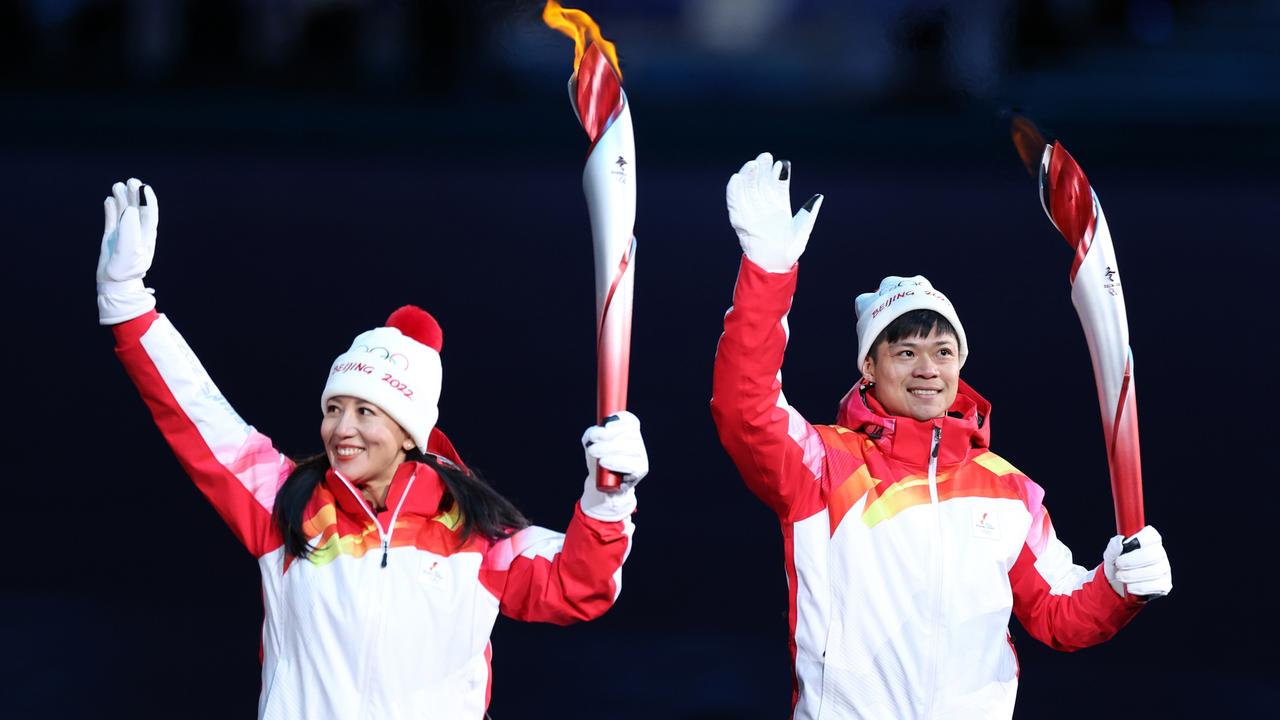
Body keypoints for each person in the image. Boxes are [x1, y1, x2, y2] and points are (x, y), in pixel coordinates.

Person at [97, 178, 648, 719]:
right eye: (333, 409)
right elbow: (199, 417)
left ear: (411, 432)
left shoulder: (477, 537)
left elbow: (579, 585)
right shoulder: (290, 507)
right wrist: (128, 306)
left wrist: (609, 500)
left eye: (366, 412)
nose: (342, 429)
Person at [710, 153, 1172, 719]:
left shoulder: (1009, 491)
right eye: (905, 353)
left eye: (942, 352)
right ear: (870, 370)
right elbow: (745, 406)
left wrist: (1120, 586)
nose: (927, 369)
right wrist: (767, 272)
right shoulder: (825, 468)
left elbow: (1059, 616)